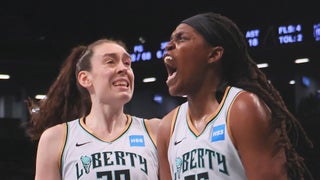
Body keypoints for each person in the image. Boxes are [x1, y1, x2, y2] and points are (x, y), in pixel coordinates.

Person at [157, 12, 314, 180]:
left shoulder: (242, 108)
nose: (168, 46)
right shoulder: (168, 127)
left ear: (214, 55)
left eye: (181, 38)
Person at [26, 38, 160, 179]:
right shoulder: (56, 138)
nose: (123, 68)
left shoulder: (155, 130)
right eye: (110, 62)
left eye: (127, 63)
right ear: (85, 78)